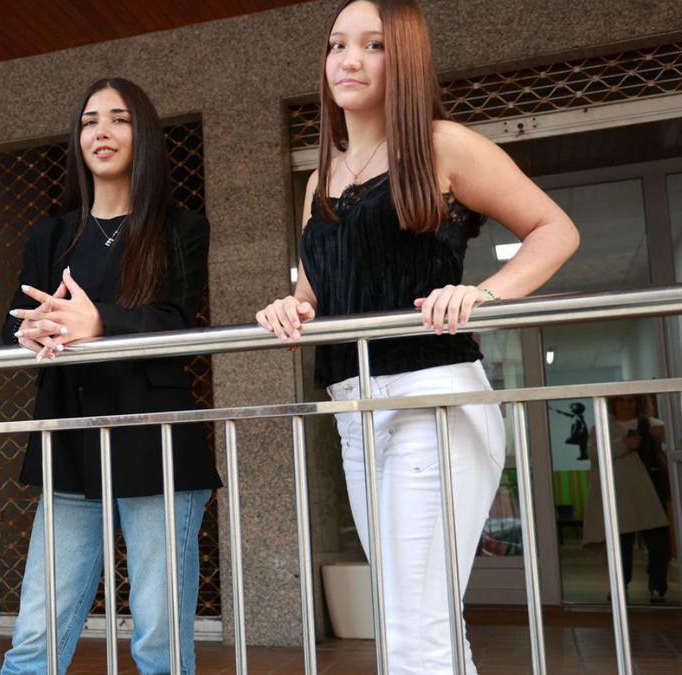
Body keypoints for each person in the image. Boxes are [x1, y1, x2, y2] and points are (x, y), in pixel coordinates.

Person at [255, 1, 579, 672]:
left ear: (404, 59)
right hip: (354, 411)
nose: (349, 60)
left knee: (412, 626)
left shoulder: (442, 145)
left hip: (432, 396)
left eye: (373, 45)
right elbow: (317, 292)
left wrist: (485, 294)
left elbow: (555, 229)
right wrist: (291, 307)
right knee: (419, 618)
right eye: (337, 45)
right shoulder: (321, 179)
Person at [0, 77, 222, 674]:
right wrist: (28, 332)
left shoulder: (179, 227)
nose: (101, 131)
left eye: (119, 119)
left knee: (158, 639)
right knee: (36, 635)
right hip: (69, 441)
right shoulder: (51, 234)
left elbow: (177, 321)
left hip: (156, 442)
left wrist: (99, 322)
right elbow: (13, 321)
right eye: (89, 120)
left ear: (143, 135)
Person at [582, 394, 671, 604]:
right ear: (613, 403)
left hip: (649, 490)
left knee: (658, 543)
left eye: (631, 400)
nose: (626, 404)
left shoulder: (654, 424)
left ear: (639, 403)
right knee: (620, 544)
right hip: (618, 492)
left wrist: (663, 435)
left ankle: (658, 587)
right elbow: (593, 454)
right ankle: (619, 586)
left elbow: (673, 447)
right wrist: (624, 444)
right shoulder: (600, 427)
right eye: (621, 400)